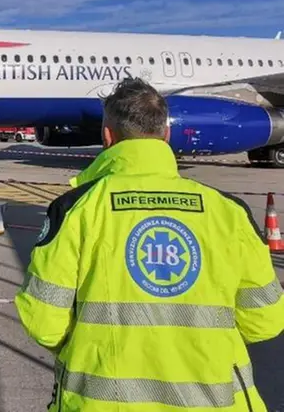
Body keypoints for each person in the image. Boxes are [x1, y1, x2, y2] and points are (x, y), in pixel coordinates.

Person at [15, 77, 284, 411]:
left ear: (107, 136)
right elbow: (266, 321)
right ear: (167, 134)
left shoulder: (76, 209)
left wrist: (91, 348)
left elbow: (43, 321)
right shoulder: (228, 212)